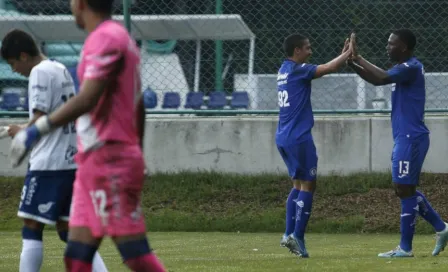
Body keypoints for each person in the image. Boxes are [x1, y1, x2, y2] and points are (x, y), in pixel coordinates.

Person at [8, 0, 166, 271]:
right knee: (76, 254)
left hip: (110, 158)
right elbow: (138, 101)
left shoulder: (105, 39)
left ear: (80, 3)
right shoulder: (120, 38)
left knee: (135, 253)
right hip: (88, 161)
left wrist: (37, 130)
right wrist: (139, 149)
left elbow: (87, 98)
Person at [0, 29, 108, 271]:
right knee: (69, 233)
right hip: (71, 162)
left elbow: (40, 117)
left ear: (24, 56)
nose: (14, 69)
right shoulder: (58, 68)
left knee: (31, 226)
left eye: (13, 63)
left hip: (49, 163)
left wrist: (22, 132)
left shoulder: (39, 73)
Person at [348, 29, 448, 258]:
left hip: (411, 138)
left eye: (391, 44)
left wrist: (357, 57)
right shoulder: (402, 70)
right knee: (405, 188)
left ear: (403, 47)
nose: (387, 47)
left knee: (403, 188)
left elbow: (381, 77)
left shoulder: (411, 66)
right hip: (405, 136)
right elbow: (377, 80)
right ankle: (442, 229)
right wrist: (352, 64)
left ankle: (405, 248)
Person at [276, 33, 352, 257]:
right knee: (309, 186)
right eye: (307, 48)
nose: (310, 52)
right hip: (299, 138)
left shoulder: (283, 70)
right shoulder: (299, 70)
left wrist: (341, 55)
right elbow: (328, 68)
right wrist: (347, 54)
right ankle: (297, 237)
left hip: (283, 137)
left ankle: (288, 234)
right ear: (297, 50)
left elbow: (325, 66)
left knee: (298, 185)